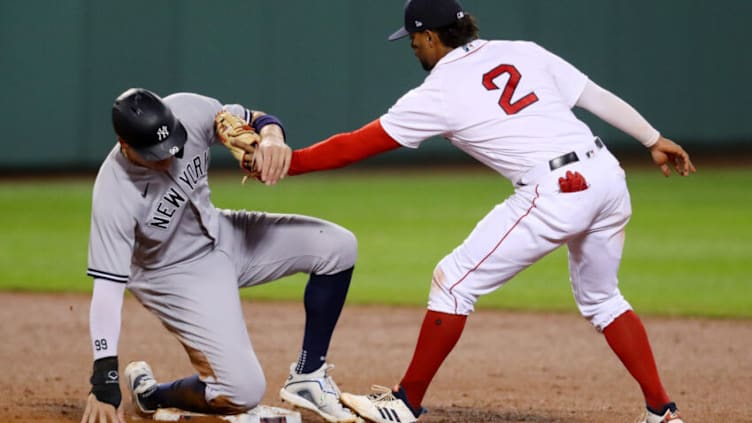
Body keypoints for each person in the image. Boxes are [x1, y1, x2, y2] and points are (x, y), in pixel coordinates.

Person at [254, 0, 696, 422]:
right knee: (602, 297)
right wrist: (652, 138)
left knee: (453, 281)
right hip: (607, 177)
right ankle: (662, 411)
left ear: (429, 36)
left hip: (557, 189)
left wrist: (288, 162)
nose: (412, 47)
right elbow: (594, 96)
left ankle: (405, 404)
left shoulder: (439, 91)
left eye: (413, 39)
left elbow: (354, 145)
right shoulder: (522, 51)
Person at [80, 88, 361, 423]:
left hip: (226, 232)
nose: (169, 155)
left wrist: (271, 137)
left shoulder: (189, 109)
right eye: (156, 153)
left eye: (173, 143)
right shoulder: (114, 192)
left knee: (338, 246)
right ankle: (151, 395)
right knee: (242, 390)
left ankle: (308, 377)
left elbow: (257, 119)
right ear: (125, 145)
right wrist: (104, 381)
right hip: (173, 275)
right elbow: (107, 292)